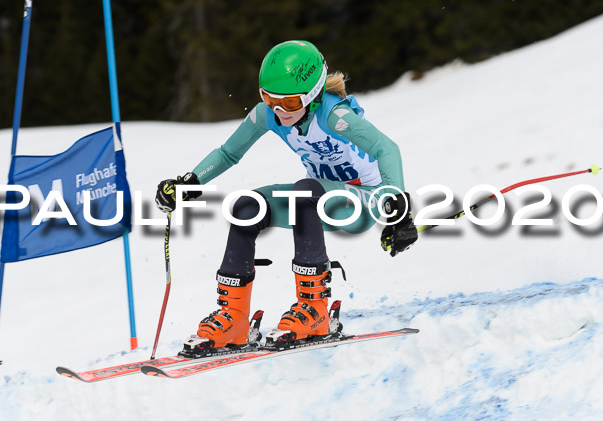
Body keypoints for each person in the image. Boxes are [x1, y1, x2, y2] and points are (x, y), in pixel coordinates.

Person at [155, 40, 417, 352]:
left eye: (290, 103)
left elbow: (386, 149)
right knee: (247, 205)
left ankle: (315, 310)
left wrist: (397, 212)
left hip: (361, 201)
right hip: (313, 202)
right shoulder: (268, 115)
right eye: (269, 99)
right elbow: (228, 153)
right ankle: (235, 318)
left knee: (305, 191)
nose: (279, 112)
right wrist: (189, 183)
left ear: (312, 94)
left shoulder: (334, 116)